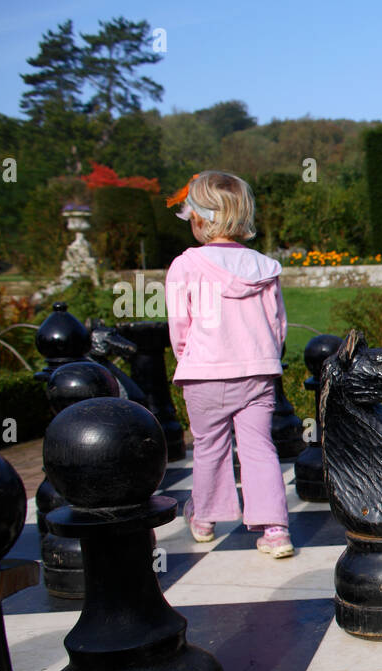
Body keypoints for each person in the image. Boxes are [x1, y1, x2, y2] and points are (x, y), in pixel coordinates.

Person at [164, 170, 293, 558]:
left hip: (205, 373)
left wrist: (187, 358)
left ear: (199, 218)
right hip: (257, 372)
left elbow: (181, 326)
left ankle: (203, 518)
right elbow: (277, 324)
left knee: (208, 448)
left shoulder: (187, 266)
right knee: (259, 449)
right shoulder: (263, 267)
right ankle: (276, 531)